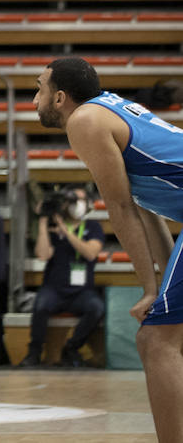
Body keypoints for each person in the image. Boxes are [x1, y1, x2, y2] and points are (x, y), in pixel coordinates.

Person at [33, 57, 183, 441]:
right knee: (168, 336)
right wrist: (161, 285)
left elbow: (119, 208)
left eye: (40, 89)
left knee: (156, 340)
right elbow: (143, 206)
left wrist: (151, 290)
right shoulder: (112, 107)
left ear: (61, 97)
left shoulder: (85, 121)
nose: (35, 99)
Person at [19, 183, 105, 367]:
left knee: (96, 307)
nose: (76, 204)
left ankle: (72, 348)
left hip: (81, 292)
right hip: (54, 289)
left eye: (80, 199)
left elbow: (90, 253)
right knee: (41, 304)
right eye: (72, 199)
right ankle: (34, 352)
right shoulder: (51, 227)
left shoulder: (93, 226)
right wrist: (43, 221)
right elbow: (43, 254)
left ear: (89, 203)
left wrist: (66, 232)